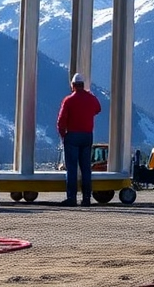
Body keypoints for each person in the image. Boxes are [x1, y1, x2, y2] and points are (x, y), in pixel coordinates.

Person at [56, 72, 101, 207]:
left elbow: (61, 121)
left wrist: (63, 135)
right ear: (83, 85)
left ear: (73, 85)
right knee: (86, 168)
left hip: (72, 136)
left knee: (72, 168)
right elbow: (98, 109)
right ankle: (86, 198)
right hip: (87, 136)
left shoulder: (68, 100)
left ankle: (72, 198)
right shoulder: (91, 99)